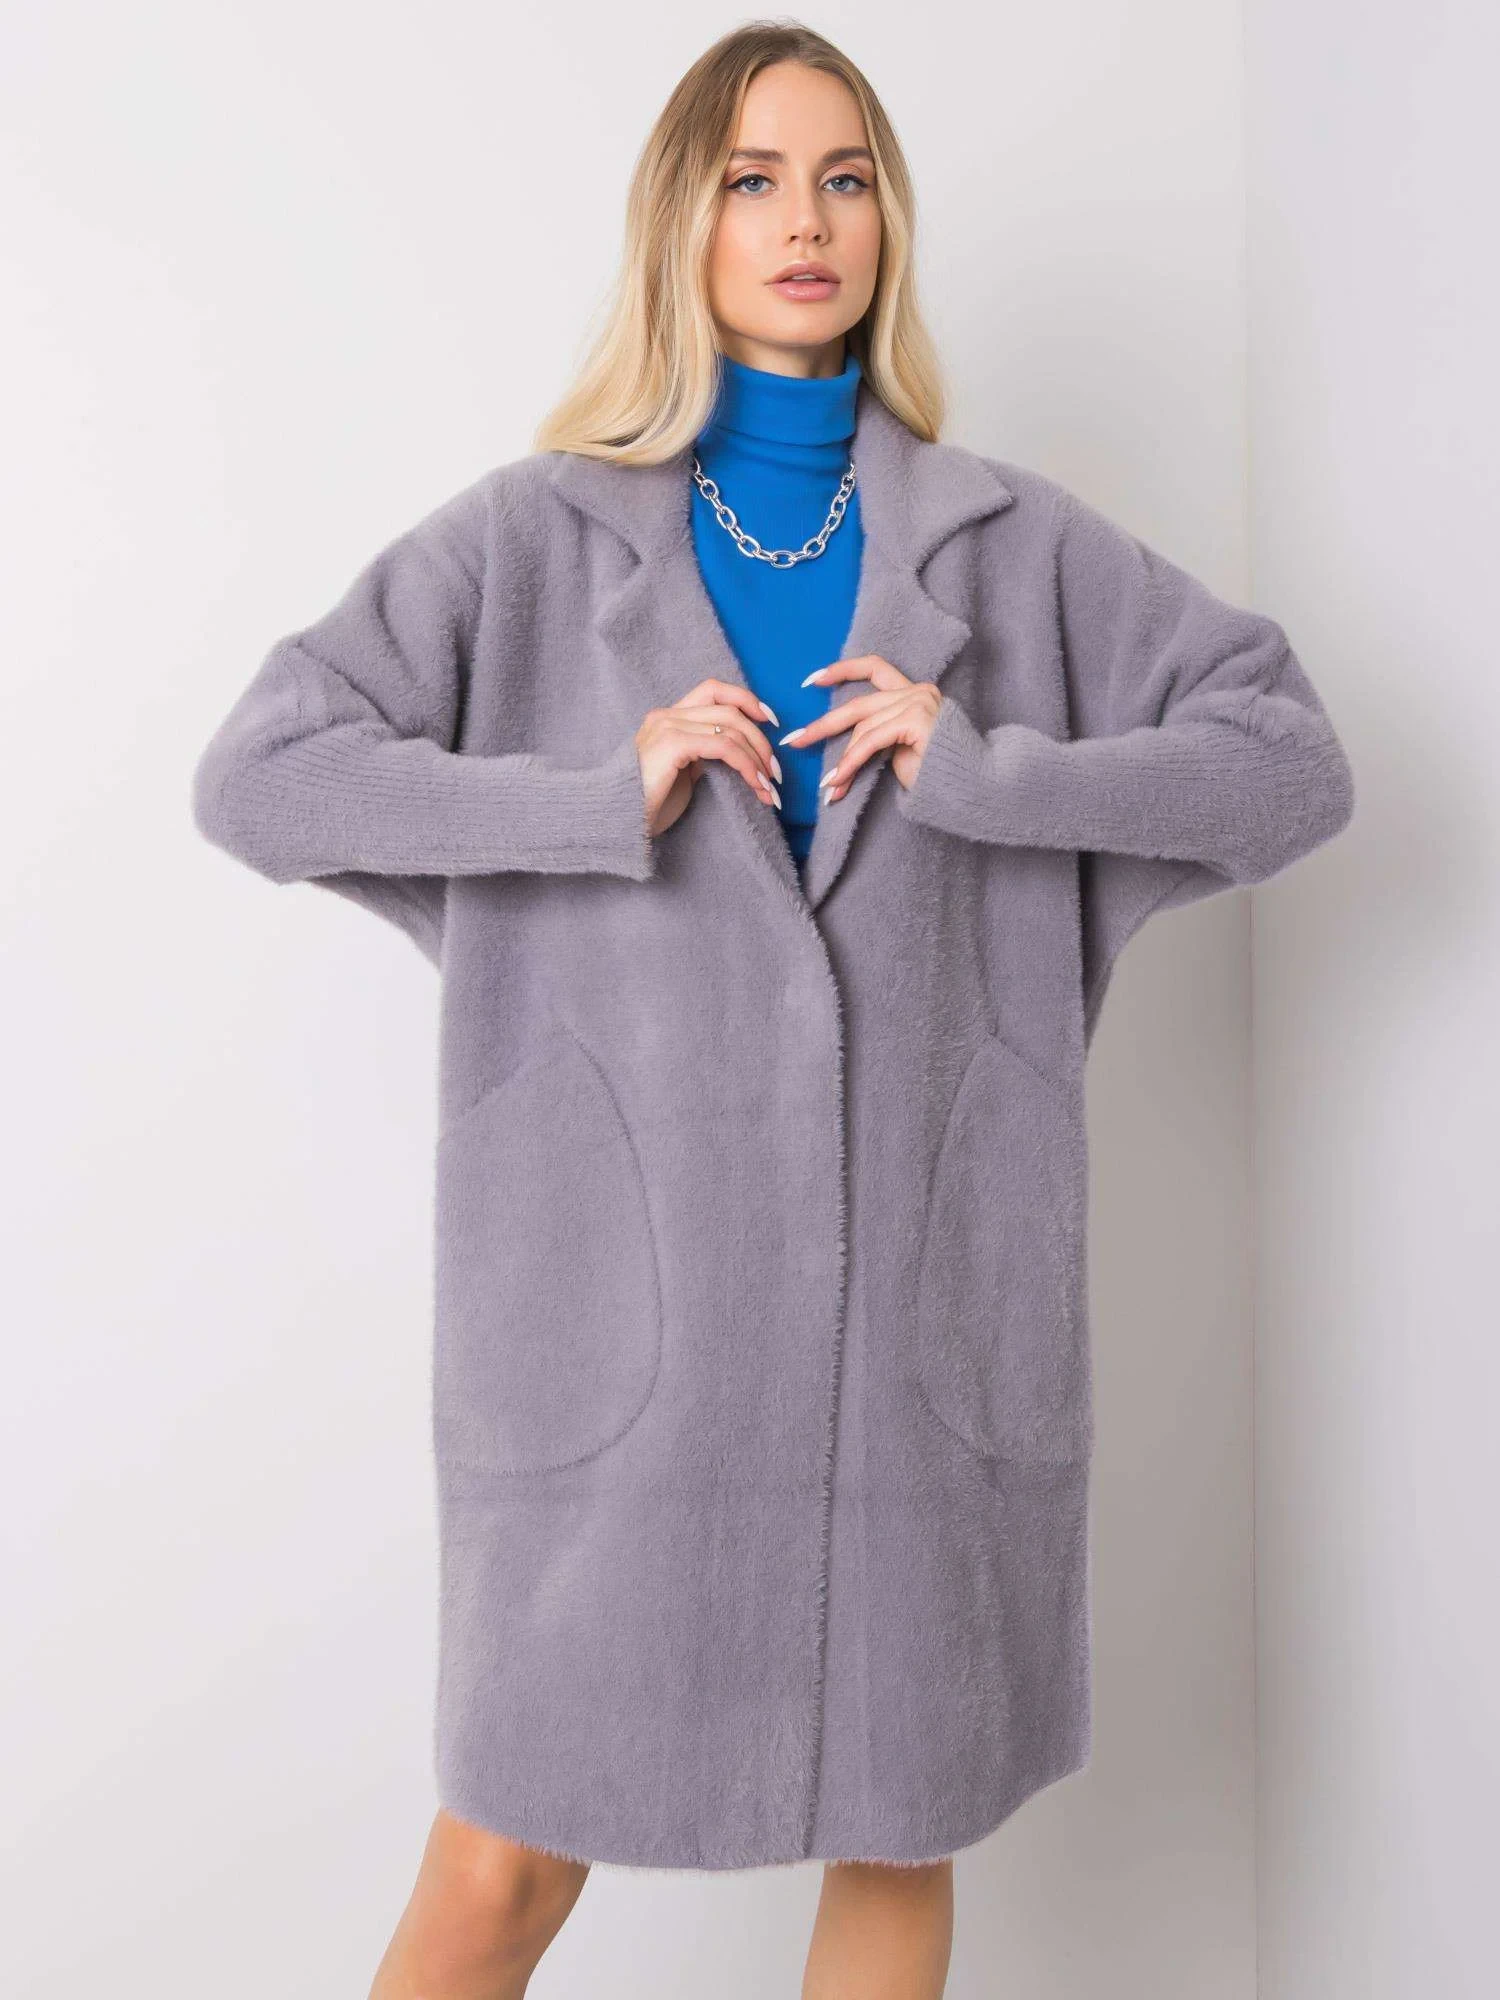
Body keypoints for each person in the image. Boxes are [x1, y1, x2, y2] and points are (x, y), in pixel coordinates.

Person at [190, 23, 1355, 2000]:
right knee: (502, 1861)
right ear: (685, 222)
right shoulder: (532, 540)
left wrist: (989, 773)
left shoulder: (1010, 548)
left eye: (844, 177)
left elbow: (1287, 761)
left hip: (921, 1330)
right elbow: (264, 776)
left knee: (896, 1837)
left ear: (886, 222)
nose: (805, 219)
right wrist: (592, 798)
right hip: (612, 1346)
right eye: (753, 179)